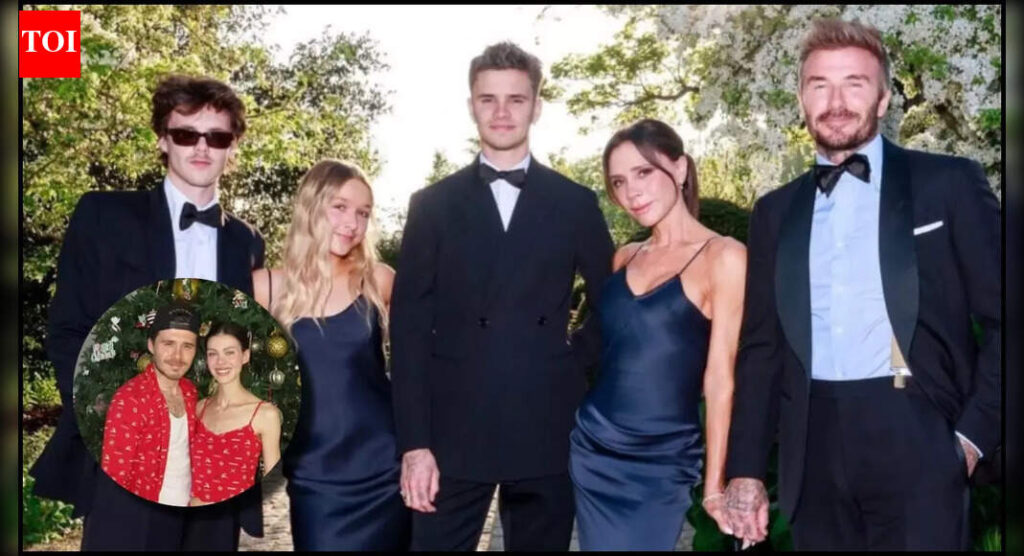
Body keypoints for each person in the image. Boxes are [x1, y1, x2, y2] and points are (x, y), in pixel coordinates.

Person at [723, 18, 1001, 551]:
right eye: (819, 85)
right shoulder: (774, 212)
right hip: (812, 442)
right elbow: (761, 348)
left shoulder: (949, 183)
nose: (836, 102)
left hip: (918, 427)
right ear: (801, 100)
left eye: (855, 83)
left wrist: (971, 438)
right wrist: (747, 470)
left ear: (883, 99)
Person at [390, 41, 615, 551]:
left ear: (536, 106)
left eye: (516, 99)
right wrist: (415, 444)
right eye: (488, 99)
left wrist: (571, 363)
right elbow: (407, 331)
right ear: (471, 105)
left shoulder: (575, 203)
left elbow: (613, 305)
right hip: (451, 431)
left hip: (545, 422)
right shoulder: (431, 205)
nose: (501, 112)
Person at [29, 74, 266, 550]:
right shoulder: (104, 216)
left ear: (233, 146)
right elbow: (69, 328)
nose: (202, 147)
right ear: (163, 138)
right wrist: (106, 421)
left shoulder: (246, 242)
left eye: (217, 137)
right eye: (186, 134)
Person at [569, 119, 746, 550]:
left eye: (643, 172)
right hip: (593, 447)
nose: (632, 192)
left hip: (662, 461)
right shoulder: (625, 256)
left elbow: (720, 378)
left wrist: (714, 484)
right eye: (619, 182)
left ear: (680, 168)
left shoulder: (724, 256)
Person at [252, 159, 409, 550]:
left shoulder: (379, 280)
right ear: (311, 205)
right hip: (313, 476)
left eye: (363, 213)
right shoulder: (265, 288)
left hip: (386, 471)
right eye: (340, 207)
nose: (352, 223)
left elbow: (422, 368)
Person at [186, 320, 282, 549]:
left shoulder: (264, 414)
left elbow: (274, 487)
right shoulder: (199, 408)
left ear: (245, 356)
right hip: (190, 526)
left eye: (229, 352)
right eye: (213, 354)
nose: (221, 362)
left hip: (232, 529)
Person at [101, 302, 201, 507]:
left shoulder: (190, 391)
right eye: (168, 344)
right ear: (151, 345)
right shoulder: (130, 399)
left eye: (187, 346)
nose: (177, 356)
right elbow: (115, 476)